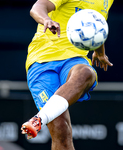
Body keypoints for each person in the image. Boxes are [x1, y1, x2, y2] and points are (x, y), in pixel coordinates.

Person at [21, 0, 114, 149]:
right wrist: (47, 19)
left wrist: (99, 51)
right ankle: (42, 118)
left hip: (75, 59)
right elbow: (37, 7)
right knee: (61, 130)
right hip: (41, 61)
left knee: (86, 72)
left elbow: (95, 24)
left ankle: (39, 119)